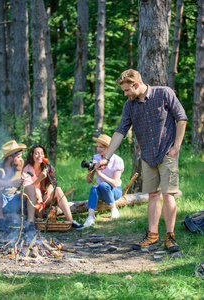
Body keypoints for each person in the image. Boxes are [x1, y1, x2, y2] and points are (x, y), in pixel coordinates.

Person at [96, 69, 187, 253]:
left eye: (127, 90)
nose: (125, 94)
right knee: (153, 195)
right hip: (147, 155)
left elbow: (181, 118)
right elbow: (120, 131)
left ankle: (170, 237)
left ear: (136, 85)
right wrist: (106, 158)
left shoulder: (164, 93)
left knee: (168, 194)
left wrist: (176, 146)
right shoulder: (129, 106)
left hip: (167, 153)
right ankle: (152, 236)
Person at [22, 144, 83, 229]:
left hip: (44, 198)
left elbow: (54, 181)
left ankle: (71, 221)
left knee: (57, 189)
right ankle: (39, 219)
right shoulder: (27, 169)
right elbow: (27, 188)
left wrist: (51, 186)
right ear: (31, 155)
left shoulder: (47, 167)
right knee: (36, 191)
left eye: (42, 153)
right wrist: (40, 179)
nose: (40, 155)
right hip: (32, 200)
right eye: (36, 153)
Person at [79, 134, 124, 229]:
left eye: (102, 147)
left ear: (109, 148)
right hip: (100, 191)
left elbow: (115, 183)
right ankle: (90, 217)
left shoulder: (117, 160)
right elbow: (88, 181)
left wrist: (100, 174)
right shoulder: (95, 158)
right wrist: (90, 170)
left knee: (103, 185)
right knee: (94, 187)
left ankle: (113, 209)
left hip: (115, 191)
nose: (99, 150)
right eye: (98, 147)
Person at [0, 140, 37, 234]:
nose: (21, 159)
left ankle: (30, 223)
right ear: (10, 158)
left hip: (16, 199)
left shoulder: (21, 164)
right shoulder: (0, 169)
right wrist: (11, 183)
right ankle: (1, 220)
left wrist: (49, 168)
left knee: (30, 188)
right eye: (18, 157)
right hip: (3, 202)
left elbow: (36, 164)